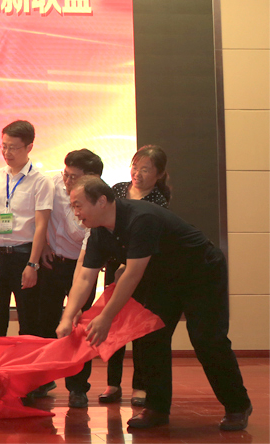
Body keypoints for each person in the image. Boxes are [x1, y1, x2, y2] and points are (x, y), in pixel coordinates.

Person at [58, 176, 252, 431]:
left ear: (102, 201)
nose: (75, 212)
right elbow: (85, 276)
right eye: (73, 206)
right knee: (150, 337)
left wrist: (106, 317)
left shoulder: (141, 219)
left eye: (78, 205)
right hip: (162, 278)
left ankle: (237, 405)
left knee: (207, 339)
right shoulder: (98, 232)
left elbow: (132, 275)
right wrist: (68, 316)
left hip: (200, 273)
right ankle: (157, 408)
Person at [99, 145, 171, 406]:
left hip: (142, 269)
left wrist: (126, 264)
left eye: (145, 169)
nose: (137, 173)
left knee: (139, 327)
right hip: (114, 264)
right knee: (114, 322)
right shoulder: (118, 190)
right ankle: (112, 383)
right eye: (134, 166)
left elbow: (147, 239)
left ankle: (140, 385)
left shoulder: (159, 201)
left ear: (159, 174)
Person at [37, 149, 103, 408]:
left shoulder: (97, 203)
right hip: (52, 263)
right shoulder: (52, 183)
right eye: (66, 174)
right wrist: (43, 245)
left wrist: (76, 295)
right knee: (45, 323)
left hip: (82, 267)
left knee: (79, 326)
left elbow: (87, 256)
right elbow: (39, 218)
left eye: (74, 177)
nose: (67, 181)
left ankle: (78, 388)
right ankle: (42, 381)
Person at [0, 120, 52, 340]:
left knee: (29, 320)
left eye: (13, 148)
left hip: (24, 254)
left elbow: (41, 225)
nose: (7, 153)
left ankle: (27, 362)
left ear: (29, 147)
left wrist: (32, 264)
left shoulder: (41, 181)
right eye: (3, 146)